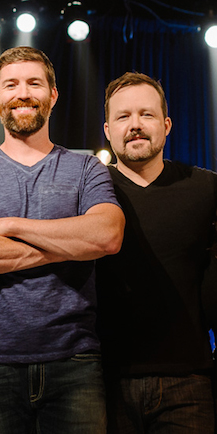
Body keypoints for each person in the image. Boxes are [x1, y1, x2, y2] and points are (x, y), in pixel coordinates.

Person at [0, 46, 126, 434]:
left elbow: (106, 236)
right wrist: (69, 247)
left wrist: (6, 224)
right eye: (11, 84)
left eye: (34, 83)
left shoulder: (86, 166)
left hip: (75, 361)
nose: (22, 93)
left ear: (53, 95)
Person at [95, 72, 216, 433]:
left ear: (166, 125)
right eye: (123, 116)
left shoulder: (206, 188)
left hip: (190, 382)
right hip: (100, 381)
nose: (135, 125)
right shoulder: (85, 190)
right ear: (107, 130)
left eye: (146, 115)